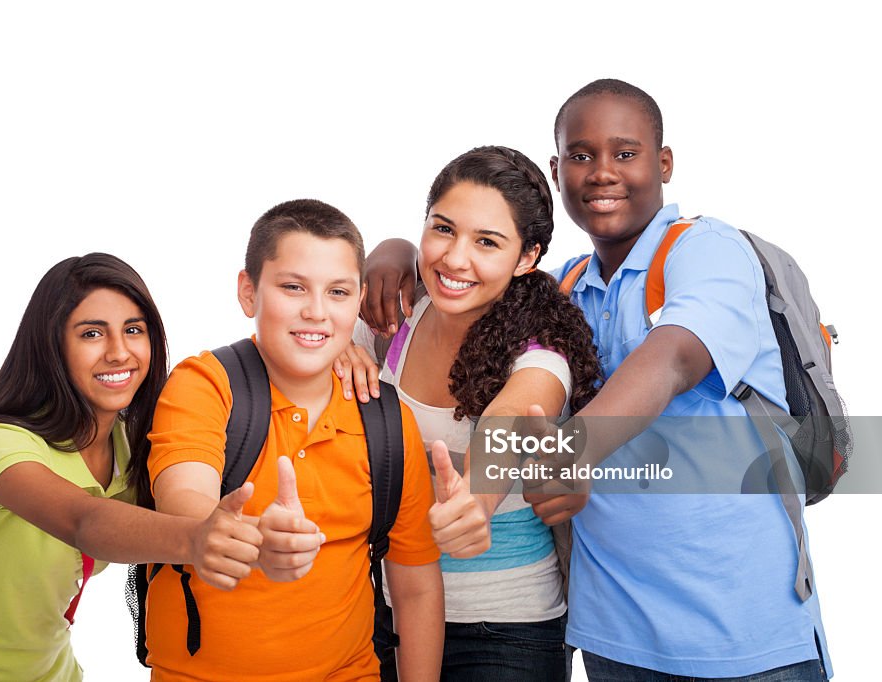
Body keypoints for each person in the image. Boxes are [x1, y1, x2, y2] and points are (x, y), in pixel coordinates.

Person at [362, 80, 832, 680]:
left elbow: (671, 361)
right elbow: (479, 270)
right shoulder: (561, 291)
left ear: (664, 163)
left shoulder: (706, 250)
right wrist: (394, 251)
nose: (602, 172)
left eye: (626, 153)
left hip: (740, 631)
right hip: (612, 631)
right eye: (581, 156)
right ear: (558, 171)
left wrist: (563, 455)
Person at [0, 253, 243, 681]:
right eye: (92, 333)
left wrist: (345, 354)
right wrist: (197, 540)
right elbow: (83, 521)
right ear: (52, 345)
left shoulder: (132, 448)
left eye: (133, 330)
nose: (119, 353)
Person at [142, 199, 444, 681]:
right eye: (292, 287)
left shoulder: (387, 420)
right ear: (248, 292)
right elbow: (183, 500)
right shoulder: (205, 384)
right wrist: (239, 535)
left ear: (359, 300)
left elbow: (416, 587)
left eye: (338, 292)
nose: (316, 312)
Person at [350, 146, 601, 681]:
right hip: (386, 613)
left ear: (527, 257)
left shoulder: (541, 352)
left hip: (505, 628)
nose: (455, 258)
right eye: (443, 229)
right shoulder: (396, 321)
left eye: (487, 242)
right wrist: (337, 351)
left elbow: (511, 417)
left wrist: (477, 501)